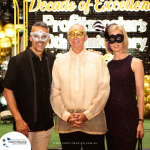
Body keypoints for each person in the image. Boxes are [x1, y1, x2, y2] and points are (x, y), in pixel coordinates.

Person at [50, 24, 110, 150]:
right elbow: (55, 92)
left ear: (86, 37)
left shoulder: (98, 59)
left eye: (79, 34)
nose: (75, 37)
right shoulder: (59, 61)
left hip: (94, 121)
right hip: (66, 122)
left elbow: (104, 89)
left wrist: (87, 114)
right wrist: (67, 116)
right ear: (68, 38)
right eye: (72, 34)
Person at [2, 21, 55, 150]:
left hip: (45, 126)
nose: (40, 40)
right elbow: (7, 91)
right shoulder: (18, 61)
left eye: (44, 37)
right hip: (24, 127)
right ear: (30, 37)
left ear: (48, 39)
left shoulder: (52, 60)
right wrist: (18, 120)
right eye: (36, 36)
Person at [103, 24, 145, 150]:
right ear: (108, 42)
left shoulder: (135, 62)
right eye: (112, 38)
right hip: (110, 119)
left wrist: (140, 121)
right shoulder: (106, 66)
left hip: (129, 119)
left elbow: (140, 94)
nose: (115, 42)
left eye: (119, 38)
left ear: (124, 40)